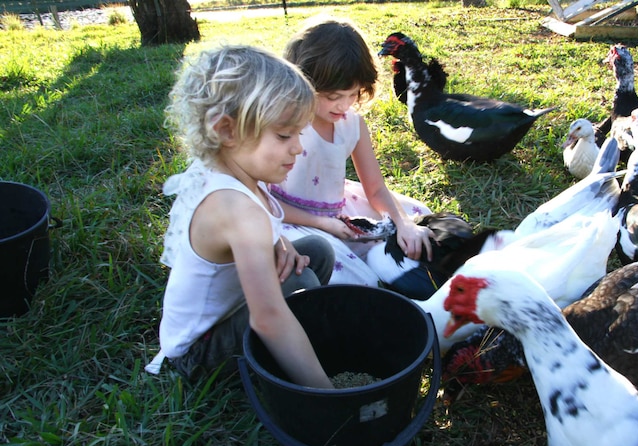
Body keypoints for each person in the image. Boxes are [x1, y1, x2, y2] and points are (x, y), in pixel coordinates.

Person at [145, 45, 335, 389]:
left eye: (299, 134)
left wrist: (279, 241)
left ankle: (301, 340)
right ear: (227, 130)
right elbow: (267, 318)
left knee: (316, 252)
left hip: (230, 308)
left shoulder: (227, 170)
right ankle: (297, 367)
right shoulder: (237, 209)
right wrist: (328, 392)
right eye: (283, 135)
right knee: (302, 287)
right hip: (198, 356)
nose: (298, 148)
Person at [270, 16, 436, 292]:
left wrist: (403, 223)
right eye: (334, 96)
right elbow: (261, 200)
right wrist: (323, 223)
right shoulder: (286, 126)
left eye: (353, 94)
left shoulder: (352, 124)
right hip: (290, 217)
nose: (345, 105)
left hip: (338, 208)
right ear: (304, 81)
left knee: (418, 216)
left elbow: (376, 189)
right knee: (351, 279)